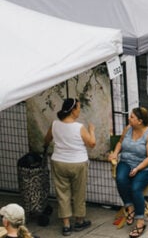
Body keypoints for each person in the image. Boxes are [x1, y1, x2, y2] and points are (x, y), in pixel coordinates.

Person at [45, 98, 95, 235]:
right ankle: (79, 221)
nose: (79, 111)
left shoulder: (55, 124)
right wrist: (91, 131)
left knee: (63, 194)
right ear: (73, 110)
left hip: (59, 162)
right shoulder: (79, 127)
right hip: (78, 163)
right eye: (78, 108)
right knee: (79, 193)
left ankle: (66, 225)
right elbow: (92, 143)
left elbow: (47, 140)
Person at [109, 107, 148, 238]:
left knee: (136, 188)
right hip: (126, 161)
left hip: (145, 166)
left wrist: (137, 168)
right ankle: (130, 207)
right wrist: (115, 153)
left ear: (140, 121)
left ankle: (140, 222)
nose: (129, 118)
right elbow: (120, 142)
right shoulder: (128, 128)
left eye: (132, 117)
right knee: (120, 178)